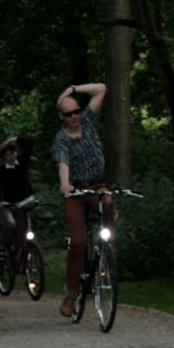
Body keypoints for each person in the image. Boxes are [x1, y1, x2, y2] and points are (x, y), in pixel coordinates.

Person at [50, 82, 114, 317]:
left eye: (76, 111)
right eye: (69, 114)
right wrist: (65, 184)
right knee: (78, 241)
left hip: (97, 186)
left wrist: (73, 89)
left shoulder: (88, 121)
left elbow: (101, 89)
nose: (74, 116)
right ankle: (71, 294)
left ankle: (109, 253)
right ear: (62, 117)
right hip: (77, 193)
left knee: (108, 203)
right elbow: (63, 165)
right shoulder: (61, 140)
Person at [0, 136, 35, 254]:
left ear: (16, 154)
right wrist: (1, 201)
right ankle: (3, 246)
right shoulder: (1, 171)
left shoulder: (22, 163)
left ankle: (26, 256)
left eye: (12, 154)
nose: (10, 158)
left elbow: (30, 142)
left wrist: (14, 140)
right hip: (8, 204)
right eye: (6, 156)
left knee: (25, 230)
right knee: (11, 224)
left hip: (25, 202)